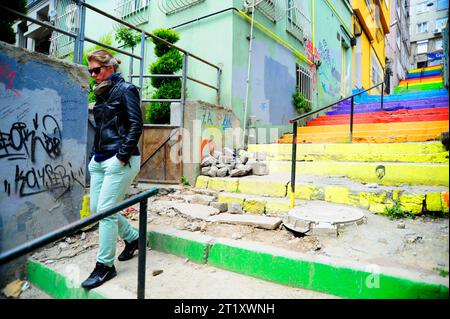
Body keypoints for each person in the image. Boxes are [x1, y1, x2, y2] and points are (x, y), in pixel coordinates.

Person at [81, 49, 143, 289]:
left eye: (97, 70)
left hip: (120, 160)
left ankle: (105, 266)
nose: (93, 75)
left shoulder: (126, 90)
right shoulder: (101, 94)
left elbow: (136, 125)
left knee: (106, 212)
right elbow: (101, 129)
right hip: (99, 160)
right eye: (91, 71)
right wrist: (93, 157)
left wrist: (121, 156)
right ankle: (133, 238)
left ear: (110, 68)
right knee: (99, 209)